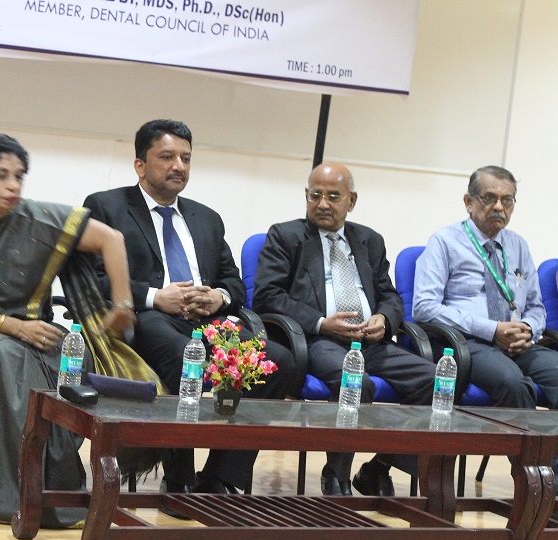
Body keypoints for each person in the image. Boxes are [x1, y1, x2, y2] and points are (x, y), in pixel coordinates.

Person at [0, 134, 150, 528]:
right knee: (5, 355)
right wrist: (14, 327)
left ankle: (52, 490)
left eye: (19, 176)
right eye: (1, 175)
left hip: (33, 333)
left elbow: (113, 239)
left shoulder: (38, 220)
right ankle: (1, 494)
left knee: (72, 359)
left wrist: (122, 304)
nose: (12, 186)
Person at [83, 119, 297, 507]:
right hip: (149, 318)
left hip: (208, 321)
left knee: (278, 360)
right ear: (140, 165)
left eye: (185, 158)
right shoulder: (107, 206)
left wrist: (217, 296)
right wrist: (152, 296)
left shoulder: (206, 218)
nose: (178, 165)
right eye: (166, 157)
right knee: (188, 361)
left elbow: (235, 283)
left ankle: (219, 478)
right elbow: (91, 279)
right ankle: (178, 477)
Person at [252, 162, 435, 496]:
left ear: (351, 201)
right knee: (356, 381)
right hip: (318, 340)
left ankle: (379, 466)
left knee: (437, 381)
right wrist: (322, 322)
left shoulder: (369, 240)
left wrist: (385, 319)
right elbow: (267, 296)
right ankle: (336, 475)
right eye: (315, 195)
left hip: (370, 341)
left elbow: (390, 295)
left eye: (333, 196)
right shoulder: (286, 236)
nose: (323, 203)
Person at [413, 165, 558, 410]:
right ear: (469, 202)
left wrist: (527, 328)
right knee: (513, 384)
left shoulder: (518, 245)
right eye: (489, 198)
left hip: (517, 345)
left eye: (507, 200)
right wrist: (492, 330)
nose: (499, 207)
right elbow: (424, 307)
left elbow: (535, 306)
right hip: (469, 343)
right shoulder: (444, 242)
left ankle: (550, 450)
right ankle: (527, 450)